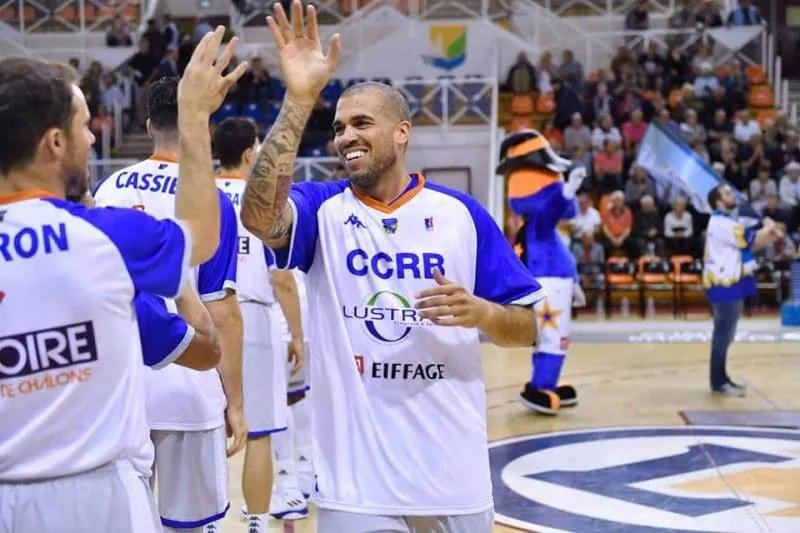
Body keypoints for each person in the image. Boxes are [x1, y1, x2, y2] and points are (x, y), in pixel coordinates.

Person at [240, 2, 544, 532]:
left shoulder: (461, 216)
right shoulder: (323, 210)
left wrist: (482, 315)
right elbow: (259, 216)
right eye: (338, 127)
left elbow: (526, 328)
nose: (346, 136)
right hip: (358, 489)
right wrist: (298, 100)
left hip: (454, 478)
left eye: (362, 123)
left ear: (402, 133)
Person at [0, 27, 245, 533]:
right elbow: (199, 237)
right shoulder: (103, 237)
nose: (93, 138)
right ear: (54, 143)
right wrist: (197, 118)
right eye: (85, 126)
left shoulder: (109, 204)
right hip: (98, 496)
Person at [92, 76, 247, 532]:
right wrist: (235, 399)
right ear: (204, 127)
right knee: (191, 527)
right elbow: (222, 309)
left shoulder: (106, 190)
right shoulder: (211, 198)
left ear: (147, 124)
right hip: (189, 386)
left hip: (122, 390)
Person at [211, 117, 308, 532]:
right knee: (260, 433)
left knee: (210, 429)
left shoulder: (200, 196)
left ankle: (210, 523)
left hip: (208, 316)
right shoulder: (262, 201)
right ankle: (255, 523)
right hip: (254, 318)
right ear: (251, 154)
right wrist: (298, 335)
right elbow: (283, 278)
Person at [703, 184, 781, 397]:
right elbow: (750, 239)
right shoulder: (721, 223)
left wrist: (770, 235)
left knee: (726, 334)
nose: (731, 195)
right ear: (718, 202)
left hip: (730, 282)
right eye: (726, 193)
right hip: (723, 285)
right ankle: (718, 382)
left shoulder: (725, 222)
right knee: (723, 334)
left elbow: (749, 246)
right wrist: (768, 227)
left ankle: (721, 377)